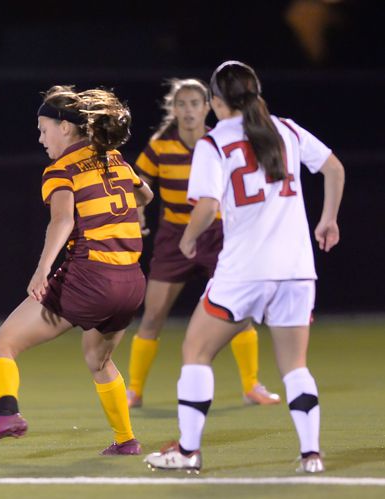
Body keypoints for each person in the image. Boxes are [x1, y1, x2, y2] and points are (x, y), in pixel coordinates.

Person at [144, 60, 344, 474]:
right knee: (295, 366)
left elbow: (207, 206)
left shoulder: (213, 144)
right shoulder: (286, 129)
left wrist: (186, 238)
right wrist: (328, 219)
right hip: (296, 268)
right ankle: (311, 455)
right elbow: (333, 168)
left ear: (216, 101)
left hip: (245, 269)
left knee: (196, 351)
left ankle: (188, 451)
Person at [0, 85, 154, 455]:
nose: (40, 137)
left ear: (66, 128)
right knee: (98, 359)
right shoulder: (113, 157)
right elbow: (144, 194)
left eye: (43, 127)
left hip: (91, 278)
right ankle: (126, 440)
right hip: (131, 283)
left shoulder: (61, 168)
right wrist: (133, 209)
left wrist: (42, 270)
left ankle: (7, 415)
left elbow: (62, 220)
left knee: (0, 346)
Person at [127, 78, 280, 408]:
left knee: (237, 312)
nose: (188, 111)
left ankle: (252, 385)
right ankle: (134, 390)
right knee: (153, 315)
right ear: (174, 109)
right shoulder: (160, 145)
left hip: (218, 234)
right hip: (173, 236)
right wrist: (137, 212)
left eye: (195, 104)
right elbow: (135, 184)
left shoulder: (220, 141)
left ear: (207, 107)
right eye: (181, 104)